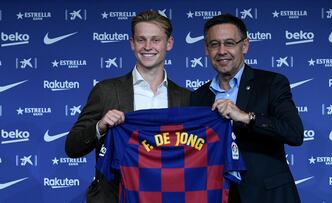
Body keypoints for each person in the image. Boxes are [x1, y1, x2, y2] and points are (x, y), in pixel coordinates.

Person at [65, 10, 190, 202]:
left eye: (155, 40)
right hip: (115, 196)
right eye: (141, 40)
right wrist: (100, 127)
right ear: (132, 43)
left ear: (169, 43)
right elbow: (72, 147)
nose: (148, 47)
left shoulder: (186, 98)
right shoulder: (106, 90)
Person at [190, 14, 304, 203]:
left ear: (245, 46)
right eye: (214, 44)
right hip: (220, 195)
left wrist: (246, 117)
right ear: (206, 49)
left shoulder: (271, 83)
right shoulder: (198, 96)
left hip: (269, 196)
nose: (222, 51)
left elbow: (294, 133)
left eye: (229, 43)